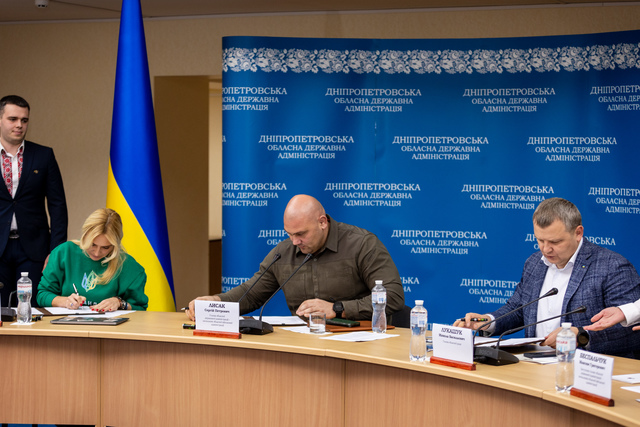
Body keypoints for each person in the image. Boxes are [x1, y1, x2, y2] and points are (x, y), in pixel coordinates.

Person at [454, 197, 640, 358]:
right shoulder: (535, 262)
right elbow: (518, 309)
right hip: (535, 364)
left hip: (588, 371)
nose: (546, 249)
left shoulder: (612, 266)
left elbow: (630, 331)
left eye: (555, 242)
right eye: (540, 240)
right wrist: (487, 321)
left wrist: (580, 336)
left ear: (578, 233)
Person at [186, 194, 404, 321]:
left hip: (361, 342)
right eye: (289, 234)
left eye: (301, 234)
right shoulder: (283, 253)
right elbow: (250, 295)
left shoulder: (362, 244)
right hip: (306, 346)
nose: (294, 242)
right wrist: (215, 302)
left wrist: (337, 308)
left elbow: (393, 296)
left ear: (322, 222)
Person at [0, 95, 68, 307]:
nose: (19, 125)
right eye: (13, 119)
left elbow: (58, 206)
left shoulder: (43, 155)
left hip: (34, 249)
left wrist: (55, 252)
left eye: (24, 120)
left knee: (32, 309)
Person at [36, 208, 148, 311]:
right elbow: (42, 295)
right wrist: (65, 301)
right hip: (67, 324)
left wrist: (119, 303)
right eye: (92, 244)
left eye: (105, 247)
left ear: (115, 245)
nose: (97, 253)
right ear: (85, 235)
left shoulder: (129, 266)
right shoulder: (64, 253)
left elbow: (140, 308)